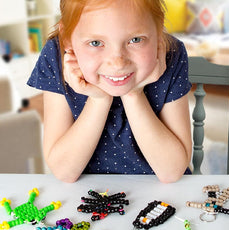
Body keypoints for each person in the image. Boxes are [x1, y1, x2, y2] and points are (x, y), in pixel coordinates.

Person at [27, 0, 192, 183]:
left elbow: (172, 172)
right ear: (67, 37)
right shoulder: (55, 57)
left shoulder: (173, 53)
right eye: (96, 42)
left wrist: (133, 94)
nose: (118, 63)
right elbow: (64, 172)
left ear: (159, 29)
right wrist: (99, 99)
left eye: (135, 40)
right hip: (87, 194)